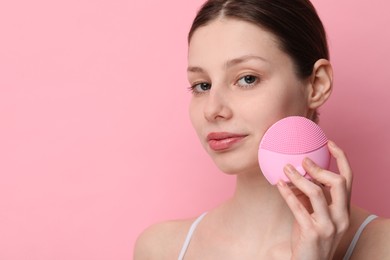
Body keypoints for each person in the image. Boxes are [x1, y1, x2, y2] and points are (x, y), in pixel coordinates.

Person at [134, 0, 390, 259]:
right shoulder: (161, 249)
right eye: (202, 85)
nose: (212, 110)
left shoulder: (382, 247)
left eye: (247, 79)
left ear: (317, 84)